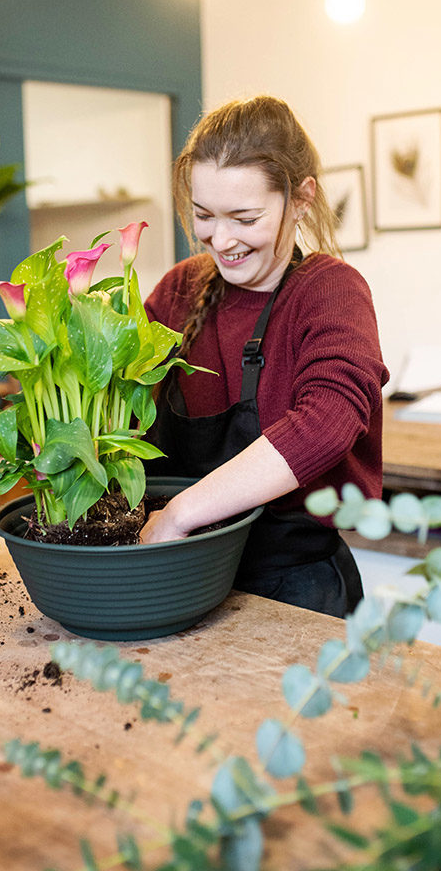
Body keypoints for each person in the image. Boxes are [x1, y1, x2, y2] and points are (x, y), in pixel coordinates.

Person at [140, 95, 389, 618]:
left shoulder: (329, 292)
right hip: (180, 576)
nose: (221, 238)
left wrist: (183, 512)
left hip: (295, 590)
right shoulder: (178, 293)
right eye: (204, 215)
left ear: (300, 199)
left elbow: (327, 421)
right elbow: (115, 403)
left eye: (245, 218)